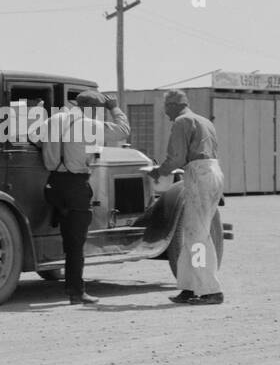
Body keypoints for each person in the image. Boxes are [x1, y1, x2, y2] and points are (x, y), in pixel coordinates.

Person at [41, 90, 130, 305]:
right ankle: (76, 291)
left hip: (53, 183)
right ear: (93, 109)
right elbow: (123, 131)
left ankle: (65, 279)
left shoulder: (52, 120)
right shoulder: (88, 125)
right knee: (75, 243)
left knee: (65, 235)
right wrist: (114, 108)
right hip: (75, 186)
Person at [147, 90, 224, 305]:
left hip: (199, 174)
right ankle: (190, 287)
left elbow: (176, 158)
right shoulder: (204, 121)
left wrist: (158, 171)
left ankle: (210, 290)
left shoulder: (182, 122)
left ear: (172, 105)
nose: (165, 113)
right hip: (211, 172)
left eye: (165, 108)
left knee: (196, 237)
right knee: (192, 234)